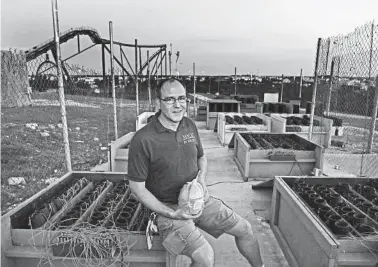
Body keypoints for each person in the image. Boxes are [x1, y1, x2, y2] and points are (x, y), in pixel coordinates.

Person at [127, 78, 264, 267]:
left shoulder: (189, 125)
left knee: (246, 230)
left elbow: (201, 158)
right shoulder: (143, 139)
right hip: (167, 209)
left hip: (198, 199)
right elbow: (136, 188)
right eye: (170, 100)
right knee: (205, 257)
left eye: (182, 98)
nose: (178, 105)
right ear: (158, 102)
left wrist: (201, 181)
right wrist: (171, 213)